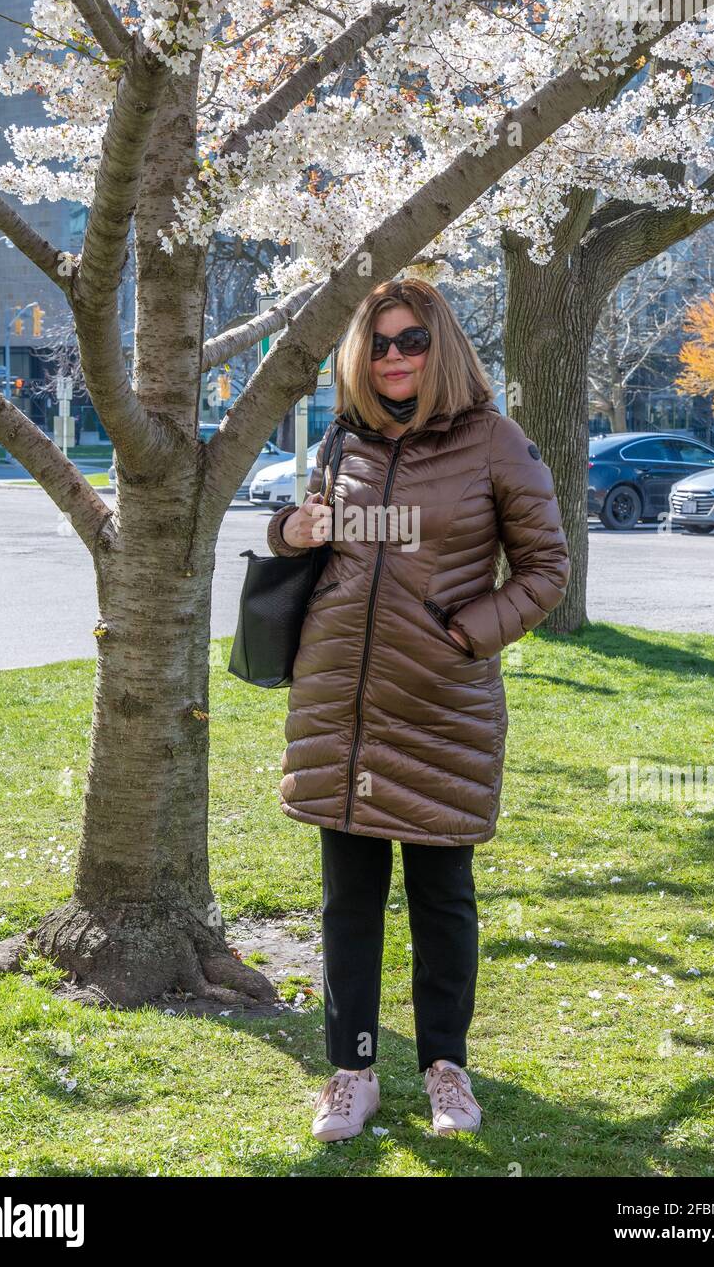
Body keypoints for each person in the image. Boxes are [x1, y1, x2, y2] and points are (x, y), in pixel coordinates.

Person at [265, 278, 569, 1141]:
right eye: (381, 342)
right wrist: (294, 531)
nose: (395, 357)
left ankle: (446, 1070)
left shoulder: (494, 443)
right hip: (341, 707)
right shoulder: (341, 441)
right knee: (347, 902)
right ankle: (351, 1072)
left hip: (440, 705)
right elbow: (300, 538)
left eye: (413, 342)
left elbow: (546, 567)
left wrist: (466, 635)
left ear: (443, 350)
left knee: (443, 898)